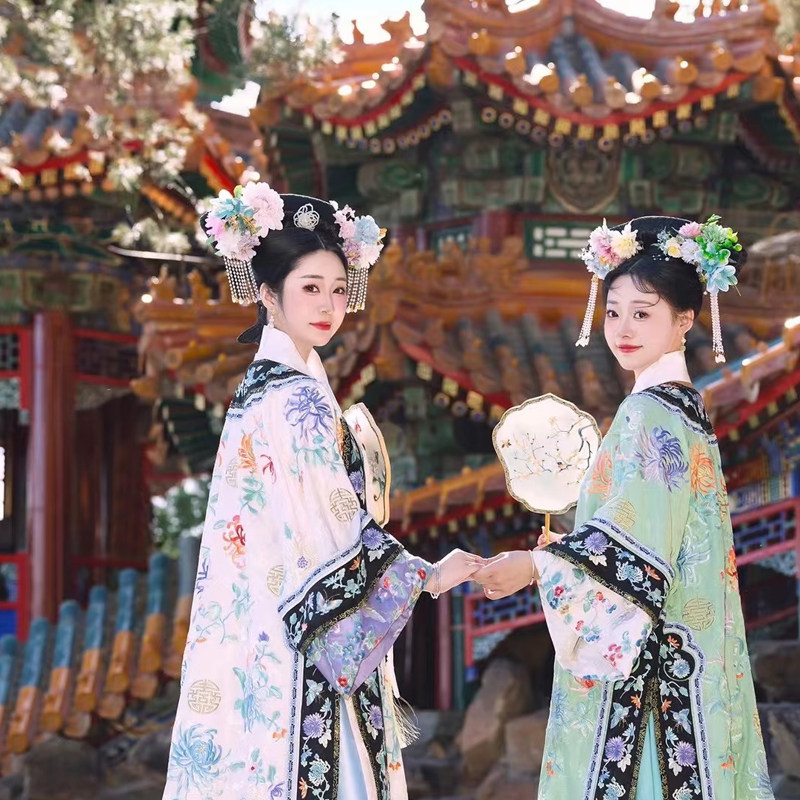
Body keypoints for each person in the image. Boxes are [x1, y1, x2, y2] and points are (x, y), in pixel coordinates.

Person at [163, 184, 482, 800]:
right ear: (266, 292)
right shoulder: (297, 396)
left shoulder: (261, 388)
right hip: (301, 646)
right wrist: (427, 577)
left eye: (338, 289)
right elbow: (332, 529)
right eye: (310, 288)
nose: (329, 305)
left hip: (257, 633)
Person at [475, 216, 773, 800]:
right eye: (613, 312)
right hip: (690, 653)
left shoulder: (648, 413)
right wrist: (569, 548)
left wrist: (538, 565)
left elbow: (637, 550)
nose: (623, 329)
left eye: (643, 313)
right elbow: (642, 525)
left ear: (685, 320)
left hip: (652, 670)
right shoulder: (685, 409)